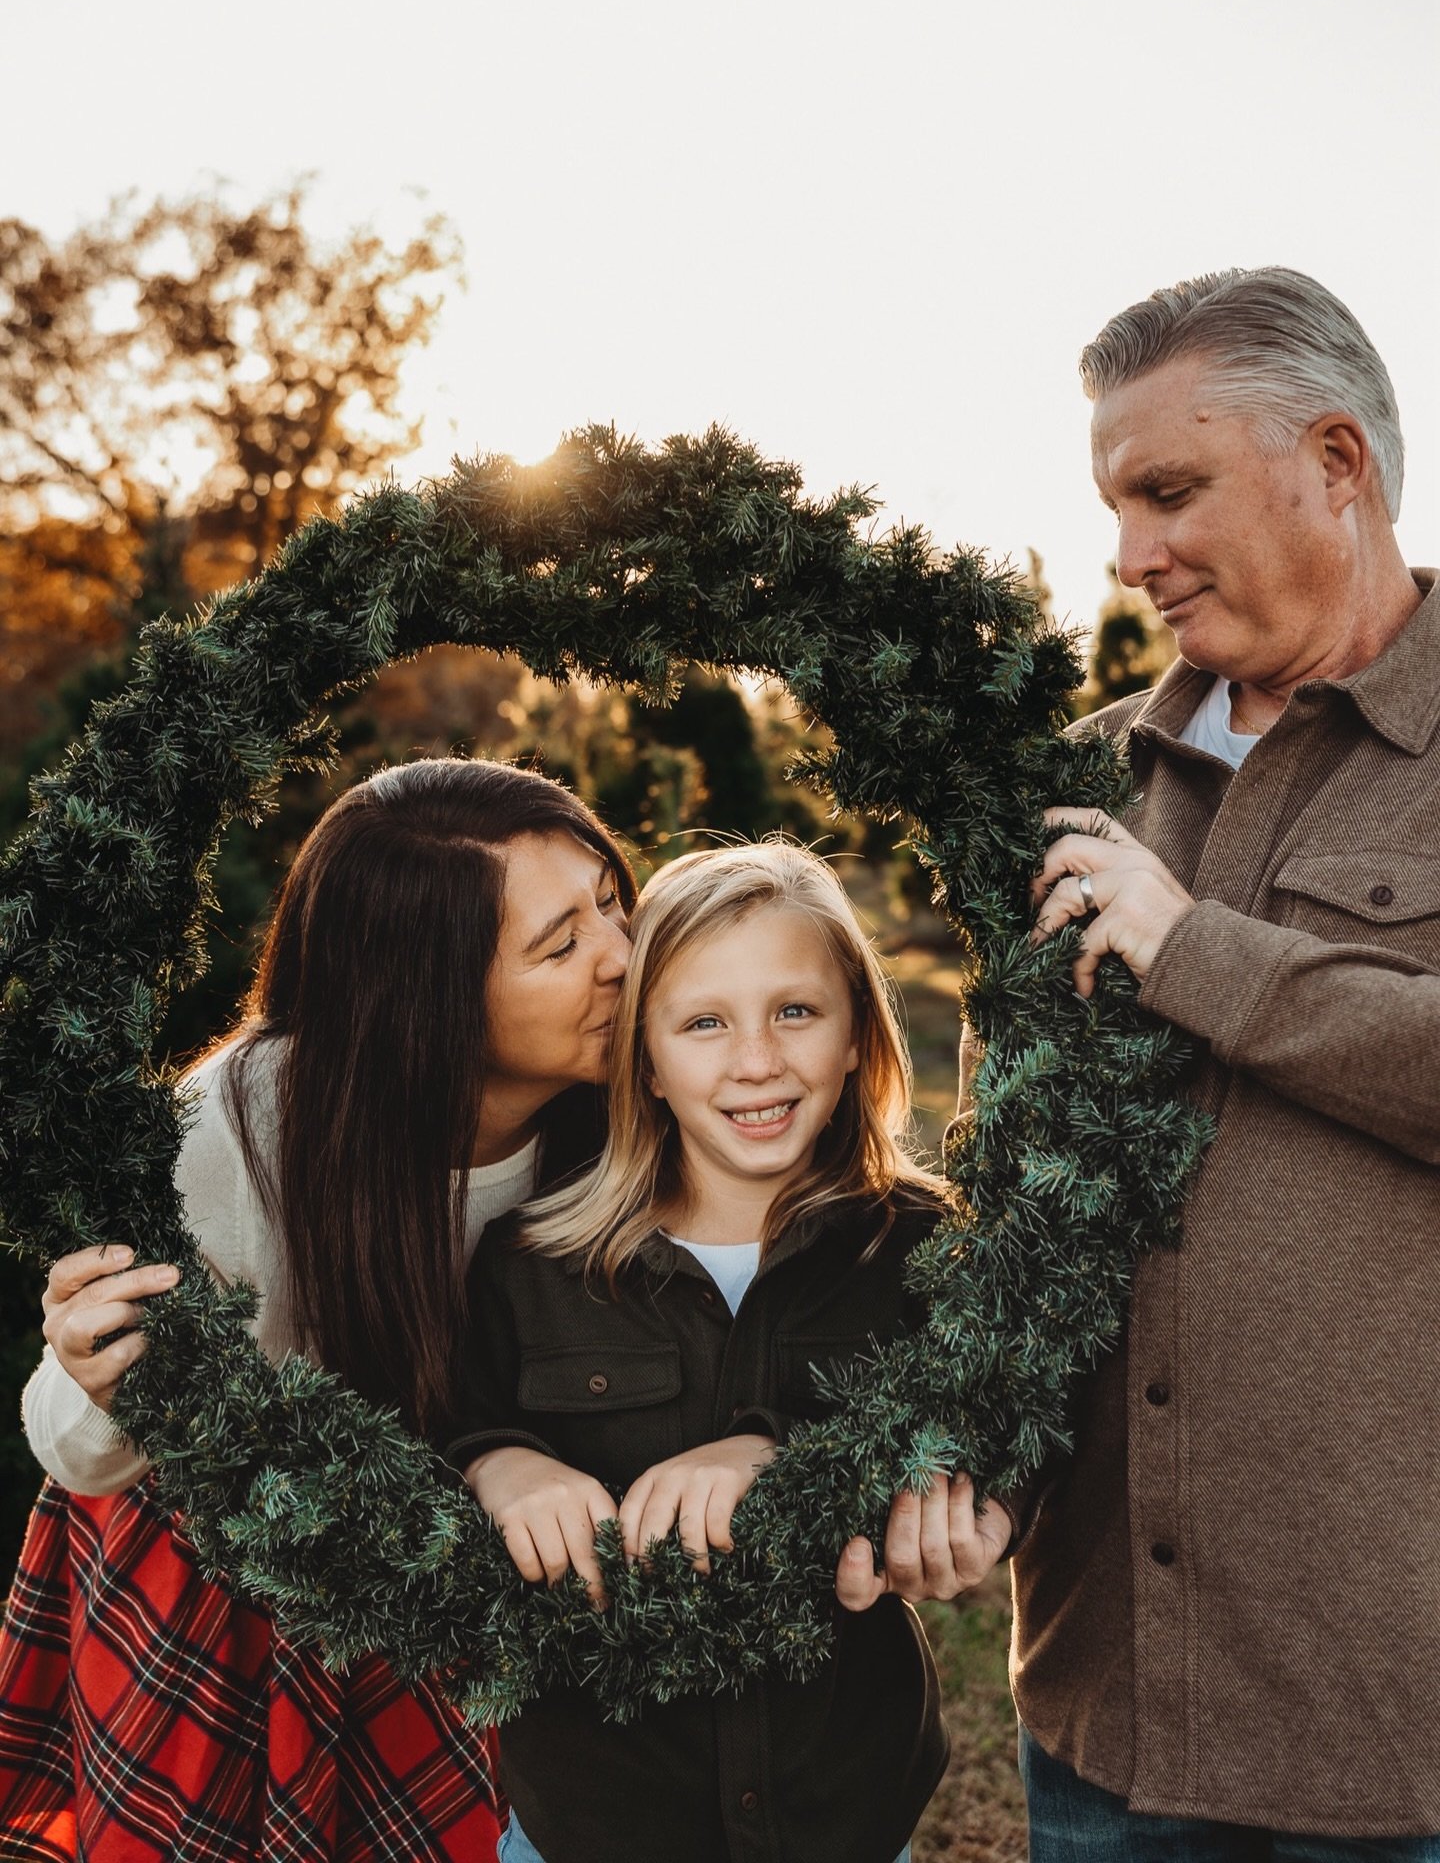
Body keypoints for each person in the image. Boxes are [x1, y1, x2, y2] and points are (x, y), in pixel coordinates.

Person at [849, 266, 1440, 1856]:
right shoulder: (1083, 783)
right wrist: (982, 1460)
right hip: (1108, 1719)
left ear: (1339, 464)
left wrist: (1198, 956)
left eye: (1169, 493)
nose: (1129, 559)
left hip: (1401, 1730)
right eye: (1114, 507)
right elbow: (1017, 1187)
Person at [0, 756, 636, 1863]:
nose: (622, 957)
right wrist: (97, 1369)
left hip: (481, 1560)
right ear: (425, 993)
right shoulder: (239, 1134)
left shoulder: (639, 1101)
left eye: (610, 903)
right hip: (228, 1575)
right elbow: (76, 1452)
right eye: (560, 945)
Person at [447, 841, 951, 1863]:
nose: (756, 1060)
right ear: (645, 1060)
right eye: (705, 1023)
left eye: (796, 1012)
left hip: (842, 1810)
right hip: (596, 1816)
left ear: (857, 1032)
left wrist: (779, 1453)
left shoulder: (915, 1250)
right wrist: (502, 1462)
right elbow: (439, 1420)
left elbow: (984, 1423)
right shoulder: (533, 1264)